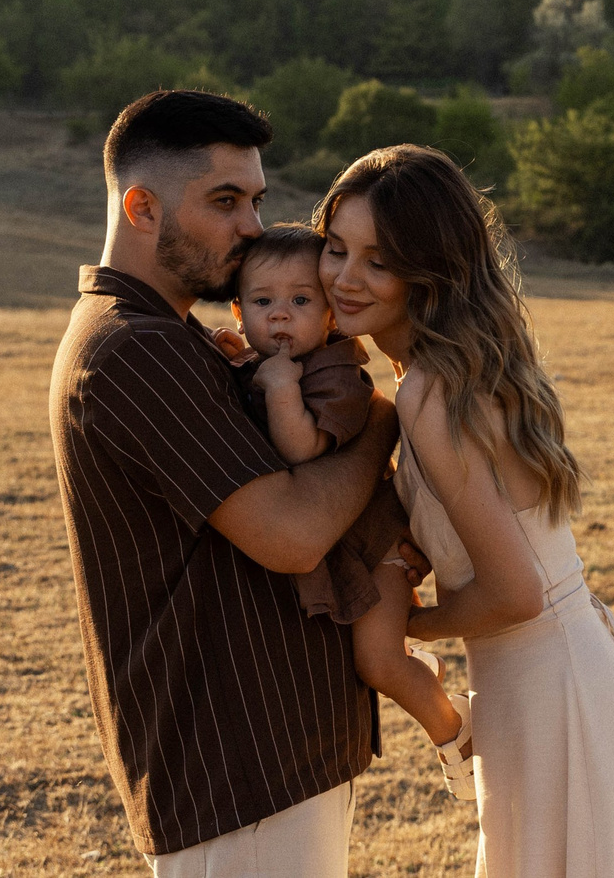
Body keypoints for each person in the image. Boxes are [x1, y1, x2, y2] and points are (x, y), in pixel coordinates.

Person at [316, 143, 614, 878]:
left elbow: (514, 591)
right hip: (561, 684)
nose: (344, 276)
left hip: (555, 701)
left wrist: (404, 626)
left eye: (378, 259)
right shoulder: (453, 372)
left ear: (428, 269)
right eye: (336, 248)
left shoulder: (430, 392)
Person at [49, 89, 409, 876]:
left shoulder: (179, 337)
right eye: (225, 201)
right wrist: (380, 418)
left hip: (266, 755)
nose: (253, 226)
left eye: (257, 200)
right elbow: (292, 533)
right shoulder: (131, 349)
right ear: (142, 207)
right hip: (235, 766)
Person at [224, 222, 477, 797]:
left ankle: (455, 729)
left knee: (379, 663)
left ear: (330, 315)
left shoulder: (338, 374)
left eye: (300, 301)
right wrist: (240, 362)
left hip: (377, 548)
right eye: (263, 302)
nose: (280, 316)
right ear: (239, 313)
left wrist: (281, 387)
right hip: (336, 542)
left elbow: (301, 447)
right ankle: (429, 684)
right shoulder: (258, 361)